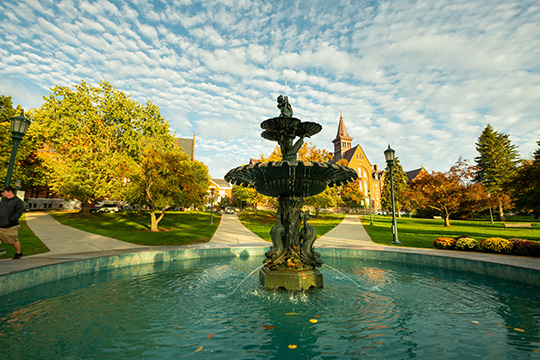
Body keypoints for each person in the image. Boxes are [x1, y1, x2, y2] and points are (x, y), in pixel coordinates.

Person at [0, 186, 25, 259]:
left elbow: (19, 212)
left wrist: (11, 220)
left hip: (9, 226)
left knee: (13, 240)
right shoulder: (3, 200)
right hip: (0, 224)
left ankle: (18, 252)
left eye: (3, 192)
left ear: (9, 191)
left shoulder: (18, 201)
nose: (2, 193)